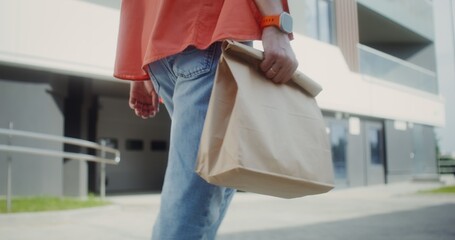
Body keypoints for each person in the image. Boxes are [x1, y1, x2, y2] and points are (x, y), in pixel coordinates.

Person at [114, 0, 298, 239]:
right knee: (192, 206)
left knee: (215, 180)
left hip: (160, 46)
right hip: (208, 30)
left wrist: (138, 71)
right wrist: (275, 20)